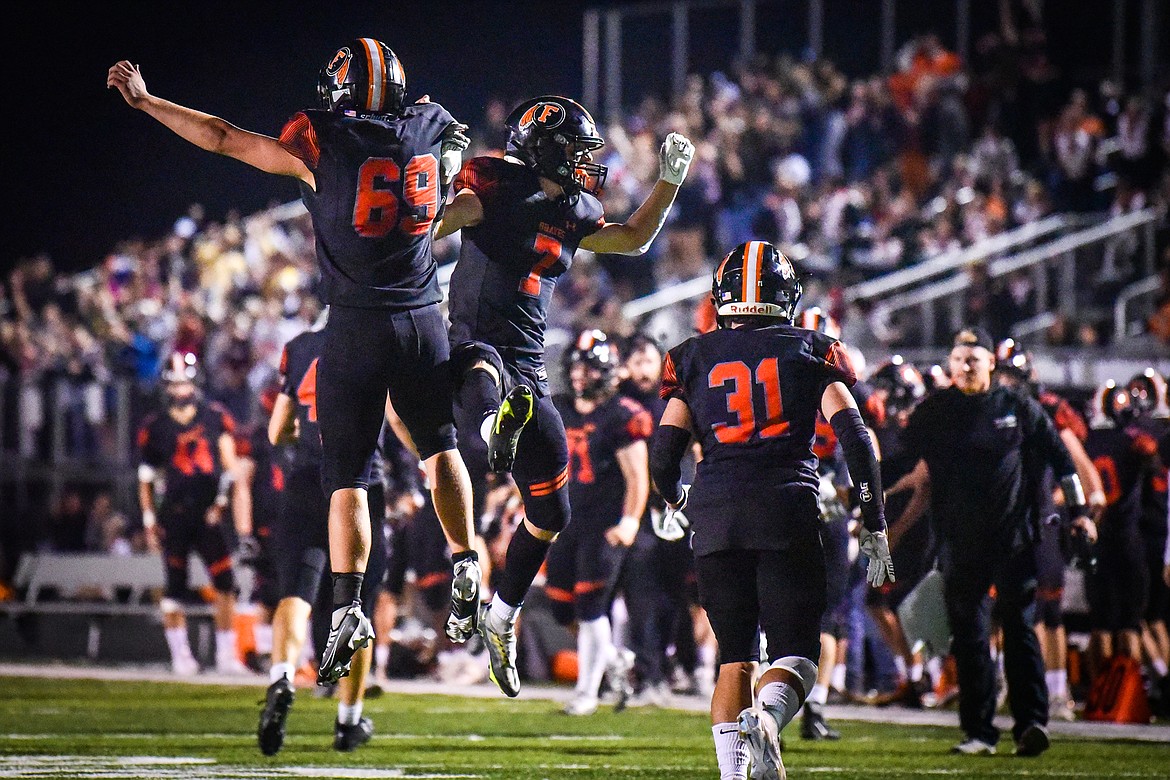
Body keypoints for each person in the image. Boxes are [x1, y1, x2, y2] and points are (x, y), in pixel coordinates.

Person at [109, 40, 481, 691]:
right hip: (424, 318)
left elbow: (224, 138)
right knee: (438, 447)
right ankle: (467, 556)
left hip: (357, 324)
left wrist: (145, 102)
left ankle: (345, 605)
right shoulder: (430, 125)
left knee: (348, 474)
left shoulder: (324, 141)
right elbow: (443, 136)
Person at [434, 95, 694, 697]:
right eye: (576, 152)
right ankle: (496, 424)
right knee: (484, 379)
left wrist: (669, 185)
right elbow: (436, 222)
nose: (586, 165)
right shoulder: (493, 184)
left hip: (529, 363)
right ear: (546, 152)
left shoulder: (573, 207)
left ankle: (500, 614)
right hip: (471, 342)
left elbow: (630, 238)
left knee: (554, 510)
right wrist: (440, 184)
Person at [650, 241, 893, 780]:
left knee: (733, 657)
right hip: (786, 506)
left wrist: (675, 501)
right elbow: (856, 440)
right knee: (798, 654)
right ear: (785, 294)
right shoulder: (813, 349)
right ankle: (767, 717)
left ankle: (734, 776)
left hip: (716, 515)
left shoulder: (690, 357)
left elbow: (663, 455)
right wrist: (874, 523)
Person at [903, 327, 1097, 757]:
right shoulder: (935, 410)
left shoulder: (1017, 406)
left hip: (1014, 539)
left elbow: (1061, 460)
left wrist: (1081, 514)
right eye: (958, 359)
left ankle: (1031, 723)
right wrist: (867, 492)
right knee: (970, 639)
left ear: (991, 362)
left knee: (1019, 630)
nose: (966, 366)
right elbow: (899, 457)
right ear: (950, 365)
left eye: (974, 358)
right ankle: (979, 732)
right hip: (959, 541)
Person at [258, 311, 388, 754]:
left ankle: (281, 678)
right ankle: (348, 722)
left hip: (305, 480)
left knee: (294, 595)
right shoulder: (377, 335)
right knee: (359, 606)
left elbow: (278, 431)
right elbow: (401, 418)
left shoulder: (298, 346)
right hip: (358, 484)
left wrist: (303, 437)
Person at [994, 339, 1104, 720]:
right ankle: (1015, 682)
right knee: (1007, 610)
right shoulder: (991, 412)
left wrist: (1081, 509)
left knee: (1049, 609)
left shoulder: (1044, 412)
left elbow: (1076, 468)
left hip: (1041, 518)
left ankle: (1057, 691)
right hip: (1005, 522)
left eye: (1011, 376)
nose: (1004, 383)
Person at [548, 329, 651, 715]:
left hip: (603, 523)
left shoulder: (622, 415)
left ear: (605, 372)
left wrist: (629, 521)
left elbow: (638, 476)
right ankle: (613, 660)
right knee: (561, 606)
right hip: (565, 521)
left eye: (588, 368)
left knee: (591, 606)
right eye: (576, 366)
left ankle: (587, 694)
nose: (579, 375)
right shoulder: (559, 408)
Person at [137, 352, 252, 676]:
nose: (180, 389)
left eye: (185, 382)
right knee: (174, 588)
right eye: (175, 383)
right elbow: (146, 478)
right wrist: (149, 519)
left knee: (226, 582)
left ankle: (227, 655)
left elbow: (229, 467)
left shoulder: (214, 416)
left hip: (208, 514)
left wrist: (221, 501)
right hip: (173, 514)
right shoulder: (155, 426)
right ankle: (181, 656)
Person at [1083, 382, 1160, 671]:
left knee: (1101, 624)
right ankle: (1129, 692)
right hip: (1128, 538)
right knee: (1129, 625)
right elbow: (1153, 462)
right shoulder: (1134, 440)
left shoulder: (1086, 441)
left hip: (1098, 536)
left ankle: (1102, 695)